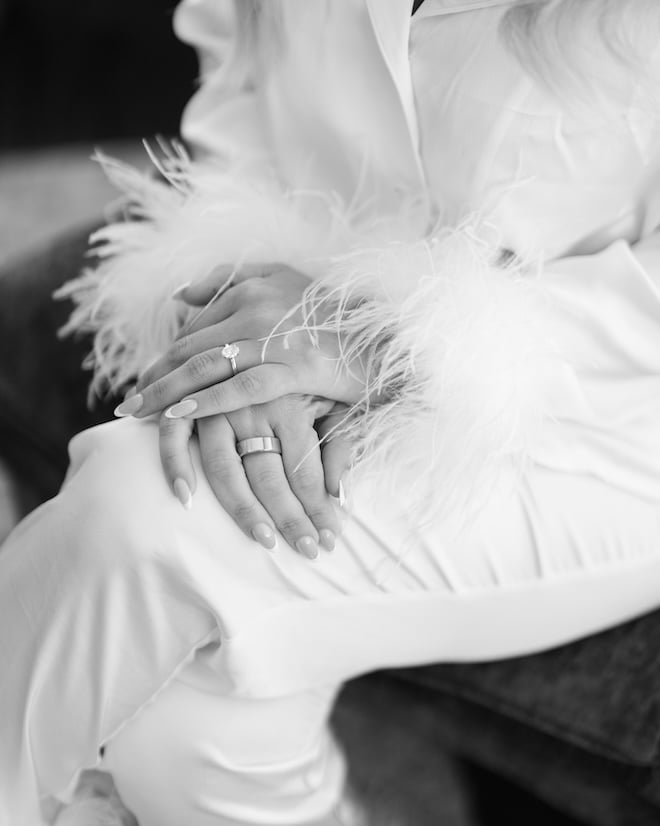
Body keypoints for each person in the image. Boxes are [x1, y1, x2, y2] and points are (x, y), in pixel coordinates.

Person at [3, 1, 660, 824]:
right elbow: (236, 67)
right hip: (311, 292)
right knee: (179, 702)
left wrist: (378, 341)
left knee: (144, 508)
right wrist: (247, 326)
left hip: (604, 417)